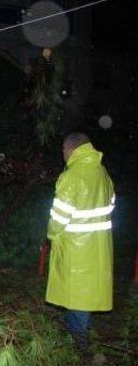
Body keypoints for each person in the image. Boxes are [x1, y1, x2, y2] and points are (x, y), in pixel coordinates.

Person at [46, 132, 115, 350]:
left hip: (75, 248)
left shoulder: (72, 176)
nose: (63, 155)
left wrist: (51, 234)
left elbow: (59, 217)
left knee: (76, 294)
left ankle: (79, 342)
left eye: (64, 151)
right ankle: (77, 332)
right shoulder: (102, 172)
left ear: (72, 150)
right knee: (86, 292)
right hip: (98, 246)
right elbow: (111, 203)